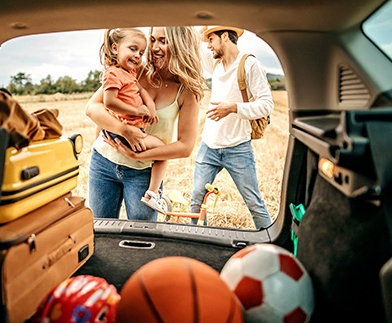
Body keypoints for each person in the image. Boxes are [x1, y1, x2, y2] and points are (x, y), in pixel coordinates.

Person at [85, 26, 205, 221]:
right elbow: (92, 107)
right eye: (153, 39)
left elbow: (185, 147)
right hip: (103, 163)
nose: (154, 47)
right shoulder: (134, 71)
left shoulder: (187, 92)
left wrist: (135, 154)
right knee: (99, 230)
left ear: (181, 45)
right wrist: (125, 130)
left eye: (163, 41)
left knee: (142, 238)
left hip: (143, 174)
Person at [190, 26, 273, 229]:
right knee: (196, 202)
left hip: (238, 147)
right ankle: (198, 240)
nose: (208, 45)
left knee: (254, 203)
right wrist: (204, 27)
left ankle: (274, 245)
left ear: (225, 36)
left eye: (211, 39)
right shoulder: (216, 63)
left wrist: (233, 108)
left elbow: (267, 104)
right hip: (209, 145)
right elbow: (194, 46)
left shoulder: (250, 64)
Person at [99, 28, 167, 213]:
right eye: (132, 49)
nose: (137, 56)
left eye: (141, 52)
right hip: (125, 131)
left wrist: (150, 107)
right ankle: (153, 194)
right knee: (163, 151)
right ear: (115, 48)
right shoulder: (112, 73)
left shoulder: (129, 73)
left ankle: (154, 193)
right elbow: (109, 101)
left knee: (162, 152)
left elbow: (141, 90)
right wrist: (137, 110)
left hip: (133, 129)